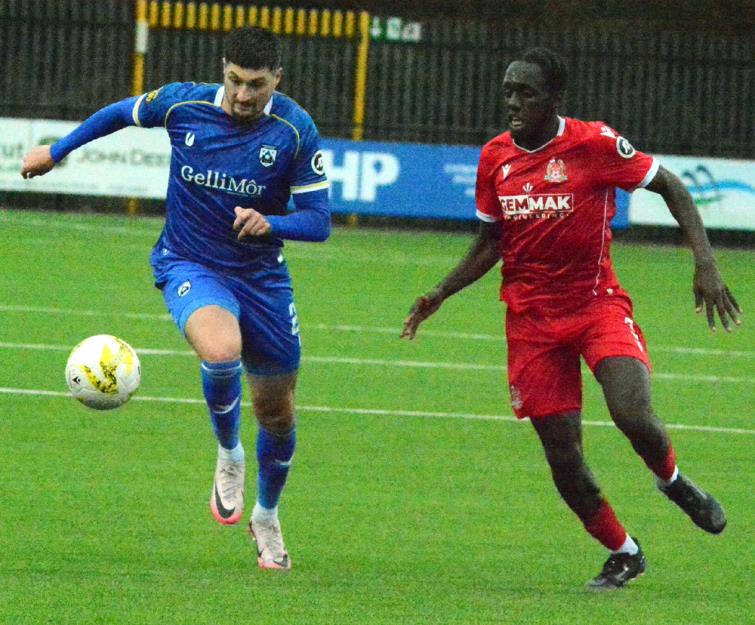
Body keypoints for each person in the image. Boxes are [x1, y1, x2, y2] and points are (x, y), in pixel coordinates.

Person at [401, 47, 741, 590]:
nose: (513, 102)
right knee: (564, 457)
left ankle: (672, 480)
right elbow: (492, 239)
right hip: (531, 322)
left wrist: (705, 263)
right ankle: (624, 551)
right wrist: (442, 291)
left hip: (596, 304)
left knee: (632, 412)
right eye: (509, 89)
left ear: (555, 98)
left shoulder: (594, 144)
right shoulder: (495, 158)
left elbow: (671, 185)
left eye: (527, 92)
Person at [21, 26, 331, 571]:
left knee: (277, 415)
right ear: (223, 71)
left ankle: (266, 514)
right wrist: (60, 150)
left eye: (255, 85)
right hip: (190, 263)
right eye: (234, 80)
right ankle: (229, 453)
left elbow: (319, 221)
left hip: (262, 279)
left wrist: (272, 222)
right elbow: (120, 112)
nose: (241, 95)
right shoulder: (182, 104)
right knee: (220, 349)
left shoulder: (295, 131)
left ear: (276, 80)